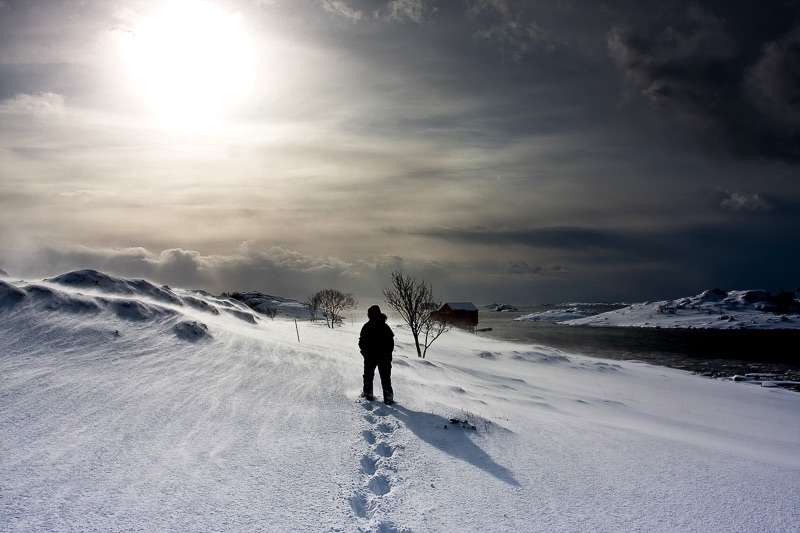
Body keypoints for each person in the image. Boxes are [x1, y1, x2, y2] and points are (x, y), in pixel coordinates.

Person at [359, 304, 395, 405]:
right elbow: (391, 344)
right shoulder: (385, 326)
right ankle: (388, 400)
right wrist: (387, 355)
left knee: (368, 377)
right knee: (386, 379)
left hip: (372, 358)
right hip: (383, 358)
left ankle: (368, 396)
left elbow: (361, 343)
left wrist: (365, 353)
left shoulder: (367, 326)